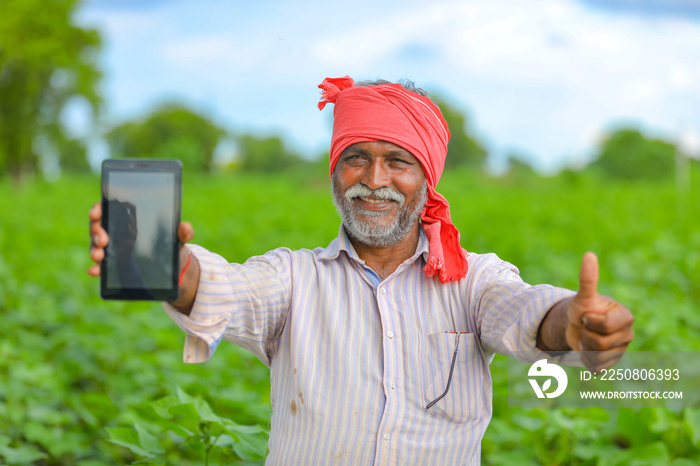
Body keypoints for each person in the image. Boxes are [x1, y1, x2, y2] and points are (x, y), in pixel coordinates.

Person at [88, 76, 634, 465]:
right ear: (334, 171)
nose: (373, 178)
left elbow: (527, 313)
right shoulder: (295, 280)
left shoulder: (473, 281)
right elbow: (224, 288)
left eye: (398, 161)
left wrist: (574, 323)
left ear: (428, 180)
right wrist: (169, 263)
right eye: (356, 157)